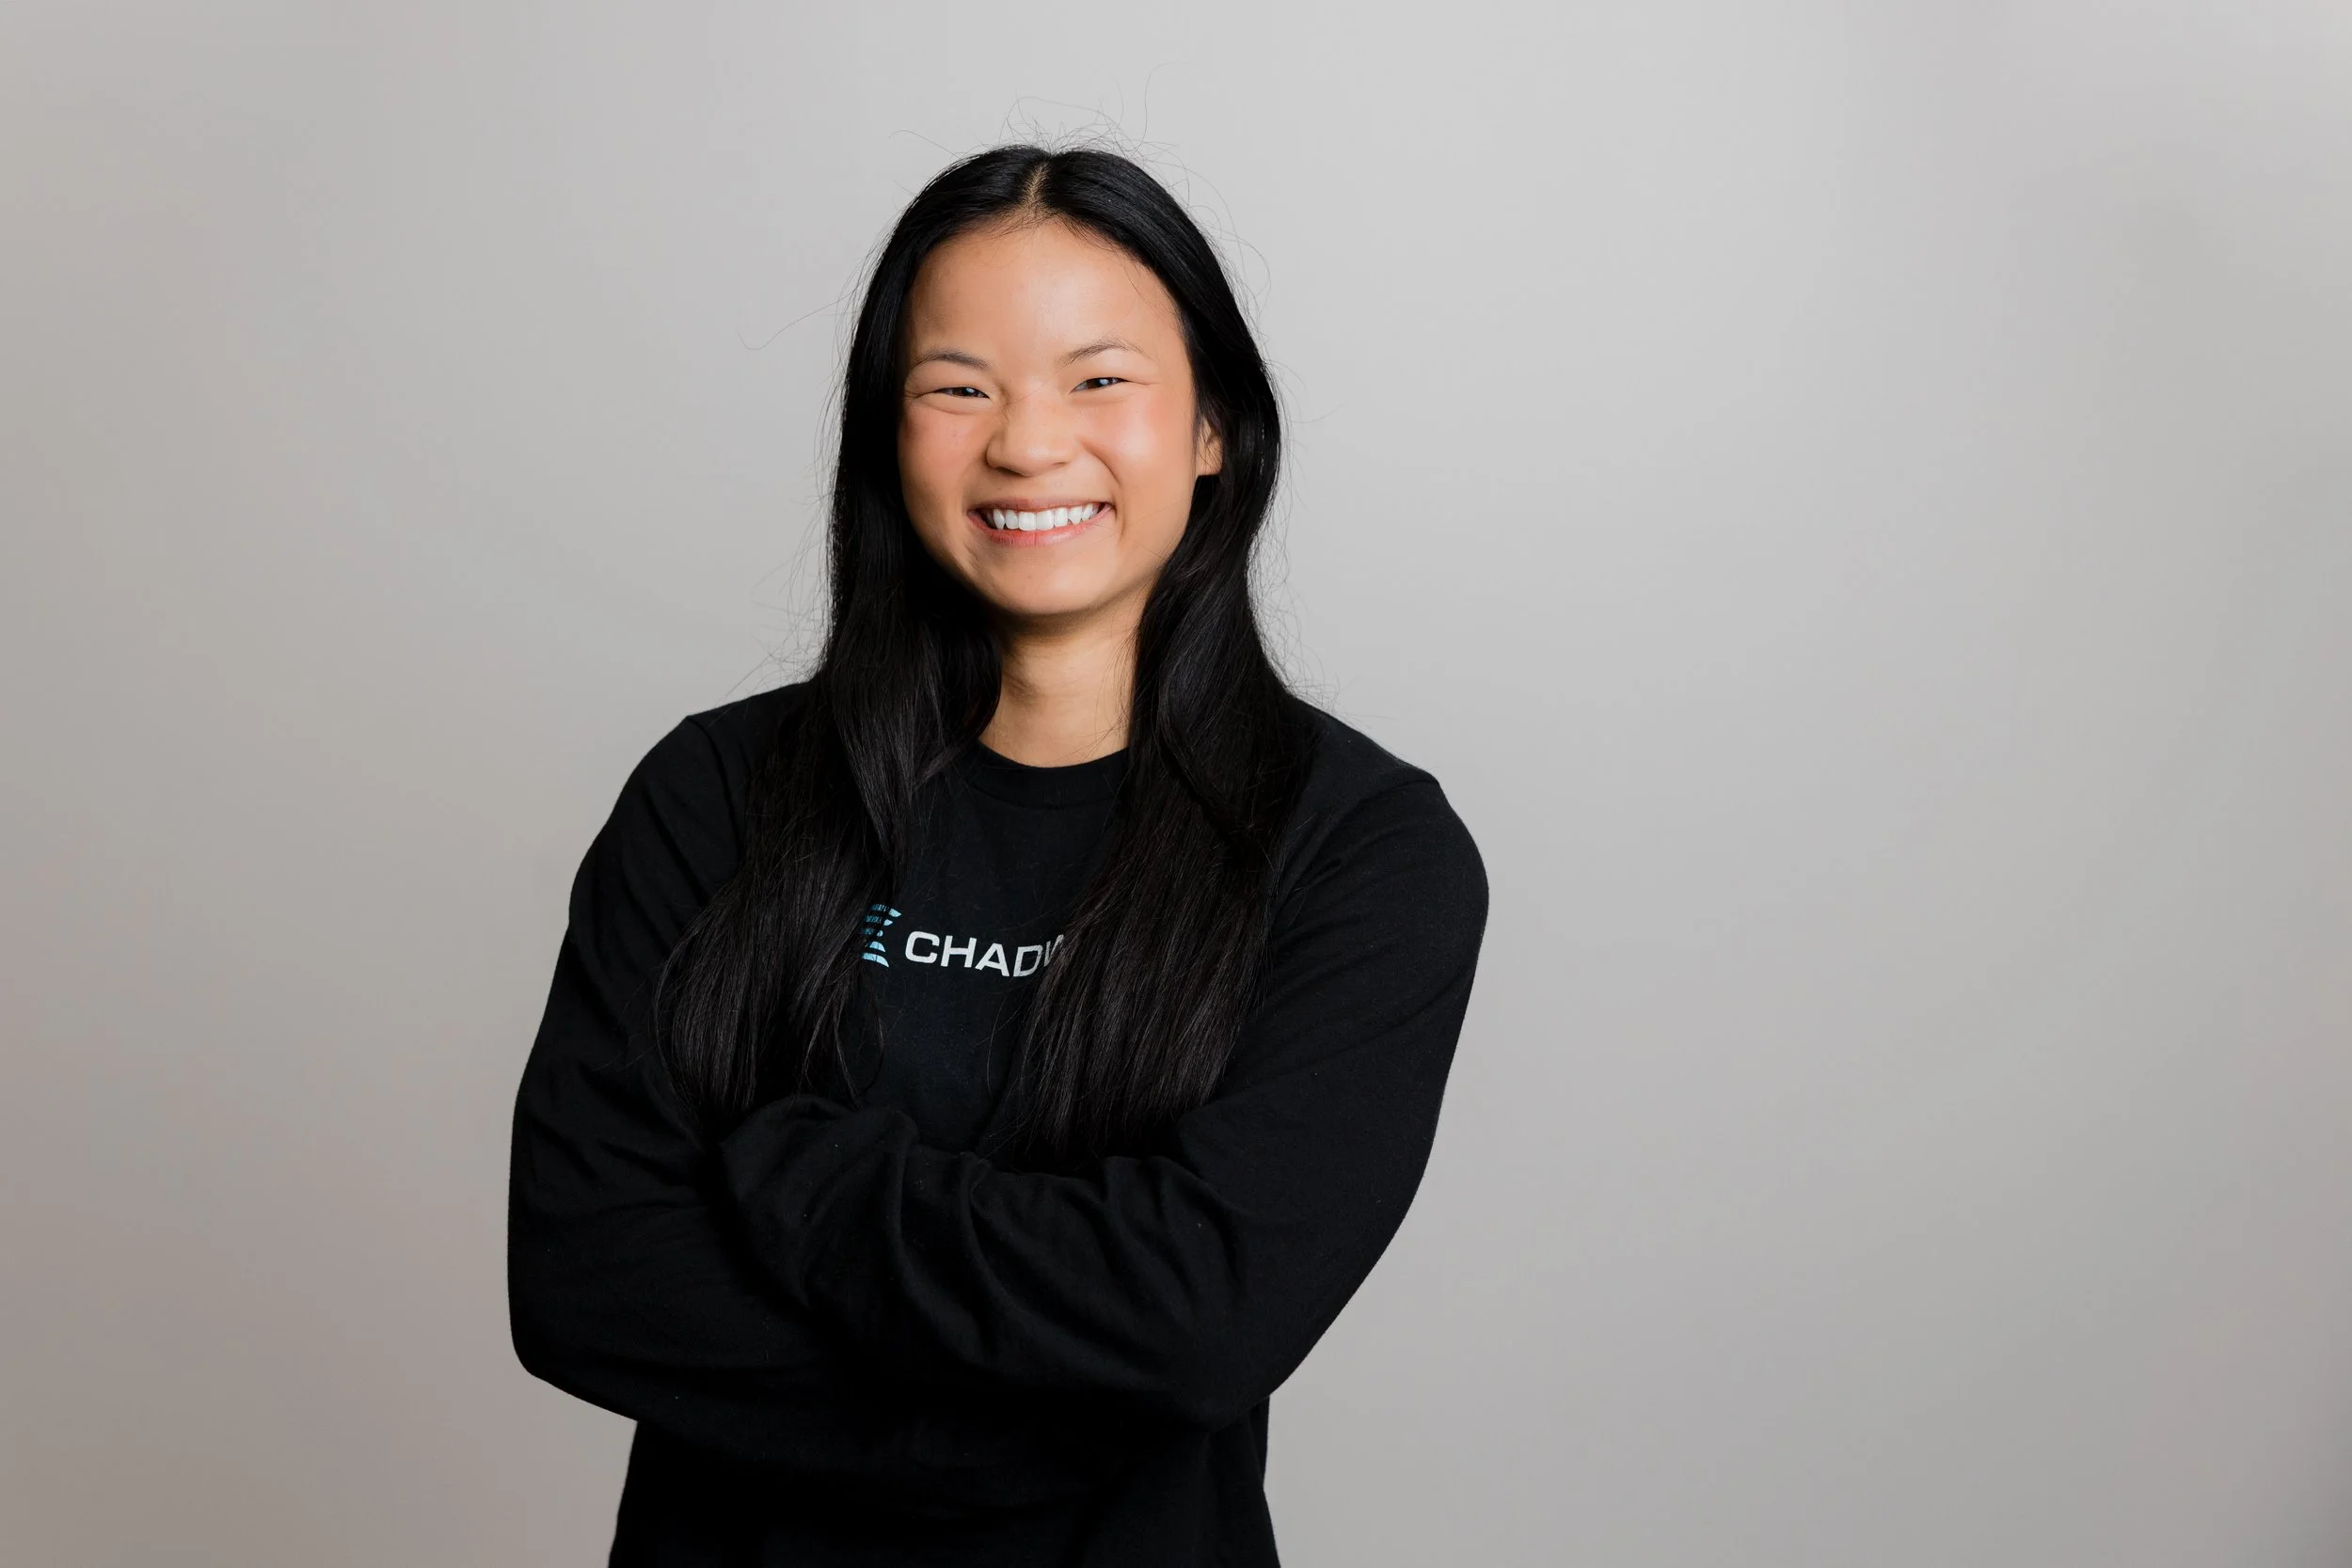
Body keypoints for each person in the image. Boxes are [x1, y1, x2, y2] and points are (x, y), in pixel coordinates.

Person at [506, 143, 1489, 1568]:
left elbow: (1203, 1316)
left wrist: (801, 1172)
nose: (1028, 444)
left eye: (1100, 380)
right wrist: (1055, 1421)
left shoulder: (1358, 851)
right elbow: (587, 1274)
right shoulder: (716, 794)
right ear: (885, 433)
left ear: (1215, 423)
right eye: (958, 386)